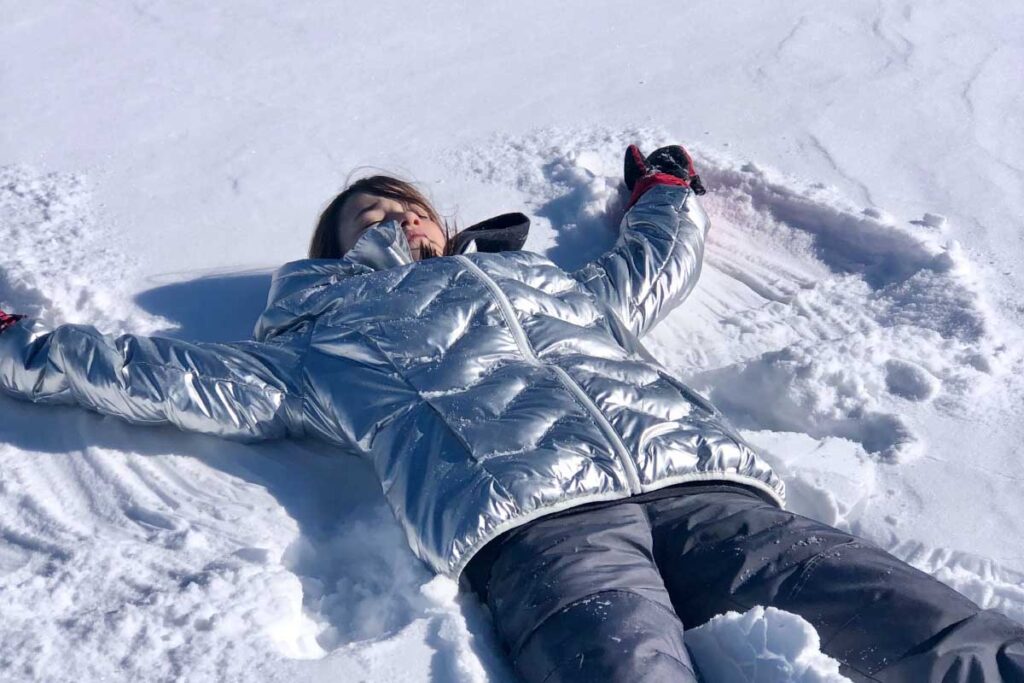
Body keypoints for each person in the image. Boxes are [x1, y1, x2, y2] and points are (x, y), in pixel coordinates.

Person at [1, 144, 1022, 683]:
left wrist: (668, 191)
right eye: (369, 212)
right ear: (335, 246)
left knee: (911, 619)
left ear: (439, 222)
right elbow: (168, 376)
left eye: (407, 204)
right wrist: (21, 344)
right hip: (536, 527)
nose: (395, 216)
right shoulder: (323, 335)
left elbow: (649, 266)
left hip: (700, 482)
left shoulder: (541, 280)